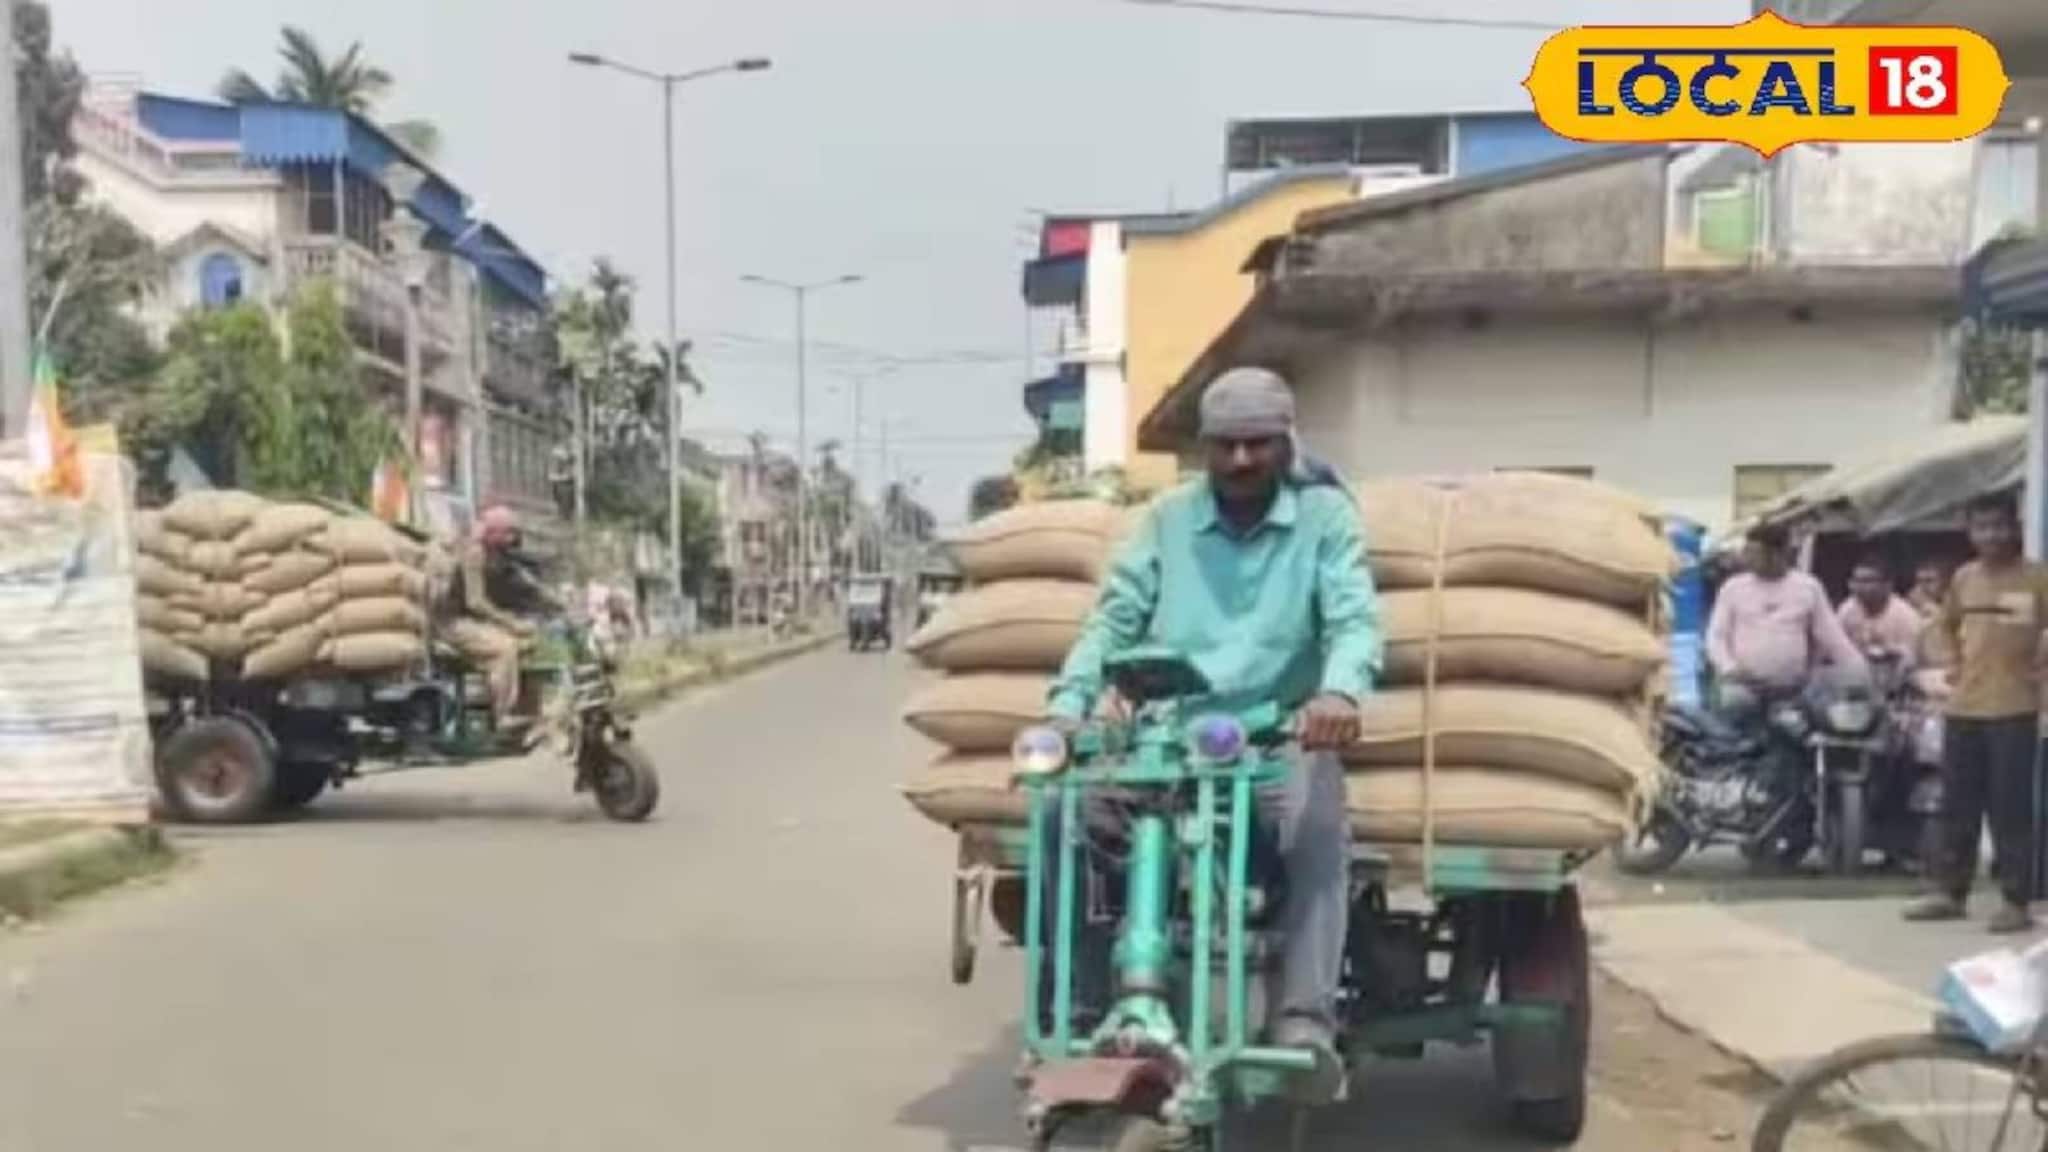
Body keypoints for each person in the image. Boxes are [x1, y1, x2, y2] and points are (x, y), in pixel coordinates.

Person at [1035, 365, 1381, 1100]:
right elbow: (1115, 616)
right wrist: (1069, 705)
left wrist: (1339, 692)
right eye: (1227, 444)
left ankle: (1303, 1020)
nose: (1243, 460)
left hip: (1274, 737)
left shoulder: (1324, 518)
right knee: (1071, 813)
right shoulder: (1166, 519)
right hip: (1169, 738)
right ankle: (1083, 1002)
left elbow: (1353, 618)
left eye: (1259, 443)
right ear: (1205, 448)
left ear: (1286, 442)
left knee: (1317, 825)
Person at [1904, 493, 2048, 934]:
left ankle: (2015, 900)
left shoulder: (2037, 578)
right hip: (1964, 707)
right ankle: (1951, 892)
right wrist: (1952, 665)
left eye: (2000, 526)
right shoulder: (1965, 578)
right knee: (1958, 803)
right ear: (1970, 532)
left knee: (2010, 808)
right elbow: (1945, 626)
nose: (1991, 536)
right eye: (1982, 527)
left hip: (2015, 708)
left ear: (2015, 527)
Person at [1705, 525, 1868, 721]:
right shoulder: (1733, 588)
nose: (1746, 558)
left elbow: (1833, 638)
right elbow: (1716, 636)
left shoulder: (1808, 588)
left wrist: (1862, 674)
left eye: (1754, 553)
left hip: (1792, 689)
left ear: (1778, 553)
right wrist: (1729, 667)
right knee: (1736, 707)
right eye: (1747, 551)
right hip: (1742, 686)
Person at [438, 505, 536, 733]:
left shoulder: (495, 556)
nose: (513, 539)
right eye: (509, 532)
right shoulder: (474, 553)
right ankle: (502, 714)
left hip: (466, 620)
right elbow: (475, 601)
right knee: (505, 648)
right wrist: (509, 622)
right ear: (495, 533)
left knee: (526, 645)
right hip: (450, 623)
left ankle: (527, 711)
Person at [1837, 554, 1924, 672]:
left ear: (1887, 585)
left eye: (1867, 581)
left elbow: (1913, 660)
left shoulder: (1907, 617)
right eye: (1856, 581)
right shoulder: (1847, 609)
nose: (1859, 586)